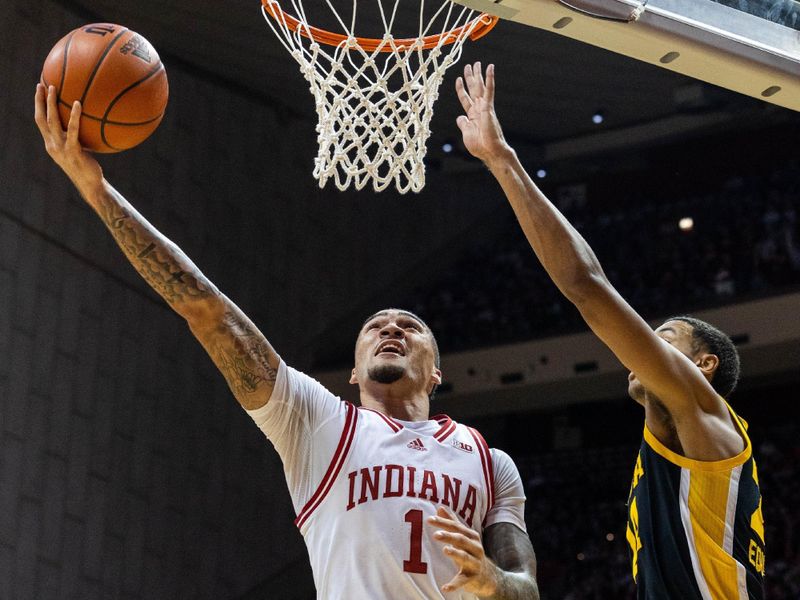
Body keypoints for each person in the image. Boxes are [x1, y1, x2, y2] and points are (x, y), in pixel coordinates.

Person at [34, 83, 539, 600]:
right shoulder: (317, 422)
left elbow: (527, 590)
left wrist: (495, 581)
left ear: (437, 371)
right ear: (351, 372)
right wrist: (96, 191)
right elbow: (206, 310)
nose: (390, 329)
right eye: (374, 327)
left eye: (409, 326)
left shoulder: (488, 460)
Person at [454, 62, 766, 598]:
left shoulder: (704, 409)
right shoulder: (681, 442)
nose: (644, 345)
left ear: (703, 364)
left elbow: (586, 286)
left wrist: (502, 161)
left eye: (664, 337)